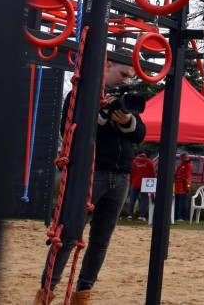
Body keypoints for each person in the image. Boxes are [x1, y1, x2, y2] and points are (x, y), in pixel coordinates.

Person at [33, 56, 145, 305]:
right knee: (68, 235)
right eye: (123, 74)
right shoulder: (81, 94)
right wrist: (101, 113)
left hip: (120, 175)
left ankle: (83, 293)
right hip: (90, 171)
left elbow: (140, 134)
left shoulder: (124, 98)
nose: (126, 81)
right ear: (107, 65)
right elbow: (69, 129)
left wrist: (127, 121)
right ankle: (47, 291)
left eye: (129, 78)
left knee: (101, 240)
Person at [127, 152, 156, 222]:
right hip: (146, 184)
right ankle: (141, 217)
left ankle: (129, 216)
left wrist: (131, 182)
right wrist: (152, 182)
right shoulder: (149, 162)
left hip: (135, 183)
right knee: (144, 200)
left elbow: (131, 173)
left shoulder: (134, 162)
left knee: (132, 199)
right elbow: (153, 173)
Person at [173, 152, 194, 222]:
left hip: (183, 185)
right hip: (178, 185)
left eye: (181, 158)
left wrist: (178, 176)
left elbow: (186, 176)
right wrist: (176, 176)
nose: (180, 159)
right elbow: (177, 172)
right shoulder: (182, 164)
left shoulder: (189, 165)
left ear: (186, 157)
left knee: (183, 202)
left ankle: (183, 217)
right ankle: (176, 216)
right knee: (176, 201)